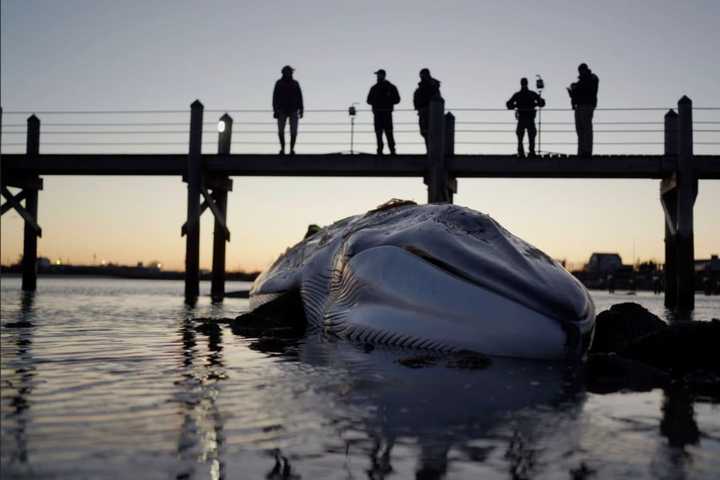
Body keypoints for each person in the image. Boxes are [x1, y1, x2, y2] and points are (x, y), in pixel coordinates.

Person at [506, 77, 545, 158]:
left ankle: (524, 152)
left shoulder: (519, 94)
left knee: (525, 136)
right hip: (526, 118)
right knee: (527, 136)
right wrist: (537, 103)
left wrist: (515, 106)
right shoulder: (531, 94)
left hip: (525, 118)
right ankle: (529, 152)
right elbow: (542, 103)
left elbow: (509, 104)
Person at [567, 63, 599, 157]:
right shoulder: (582, 81)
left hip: (587, 105)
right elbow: (579, 91)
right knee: (580, 130)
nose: (580, 72)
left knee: (586, 129)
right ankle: (581, 151)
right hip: (579, 106)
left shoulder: (592, 78)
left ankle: (587, 151)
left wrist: (576, 87)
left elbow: (588, 89)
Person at [366, 69, 401, 155]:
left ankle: (392, 151)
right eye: (377, 75)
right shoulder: (374, 88)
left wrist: (387, 100)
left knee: (388, 133)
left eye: (379, 74)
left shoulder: (390, 87)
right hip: (378, 113)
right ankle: (380, 151)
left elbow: (397, 99)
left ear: (383, 75)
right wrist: (376, 102)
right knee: (379, 133)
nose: (378, 76)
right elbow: (368, 100)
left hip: (386, 113)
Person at [273, 65, 304, 155]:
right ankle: (282, 149)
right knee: (280, 131)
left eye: (290, 72)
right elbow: (275, 97)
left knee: (293, 131)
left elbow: (299, 97)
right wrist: (275, 110)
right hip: (281, 110)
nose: (289, 73)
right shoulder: (279, 83)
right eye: (288, 72)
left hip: (293, 109)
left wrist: (301, 109)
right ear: (283, 73)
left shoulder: (295, 83)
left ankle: (291, 149)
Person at [413, 68, 442, 151]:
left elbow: (437, 98)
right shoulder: (423, 87)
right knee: (425, 132)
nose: (421, 76)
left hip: (431, 111)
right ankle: (429, 150)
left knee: (431, 133)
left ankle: (431, 151)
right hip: (423, 111)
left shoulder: (432, 85)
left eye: (422, 74)